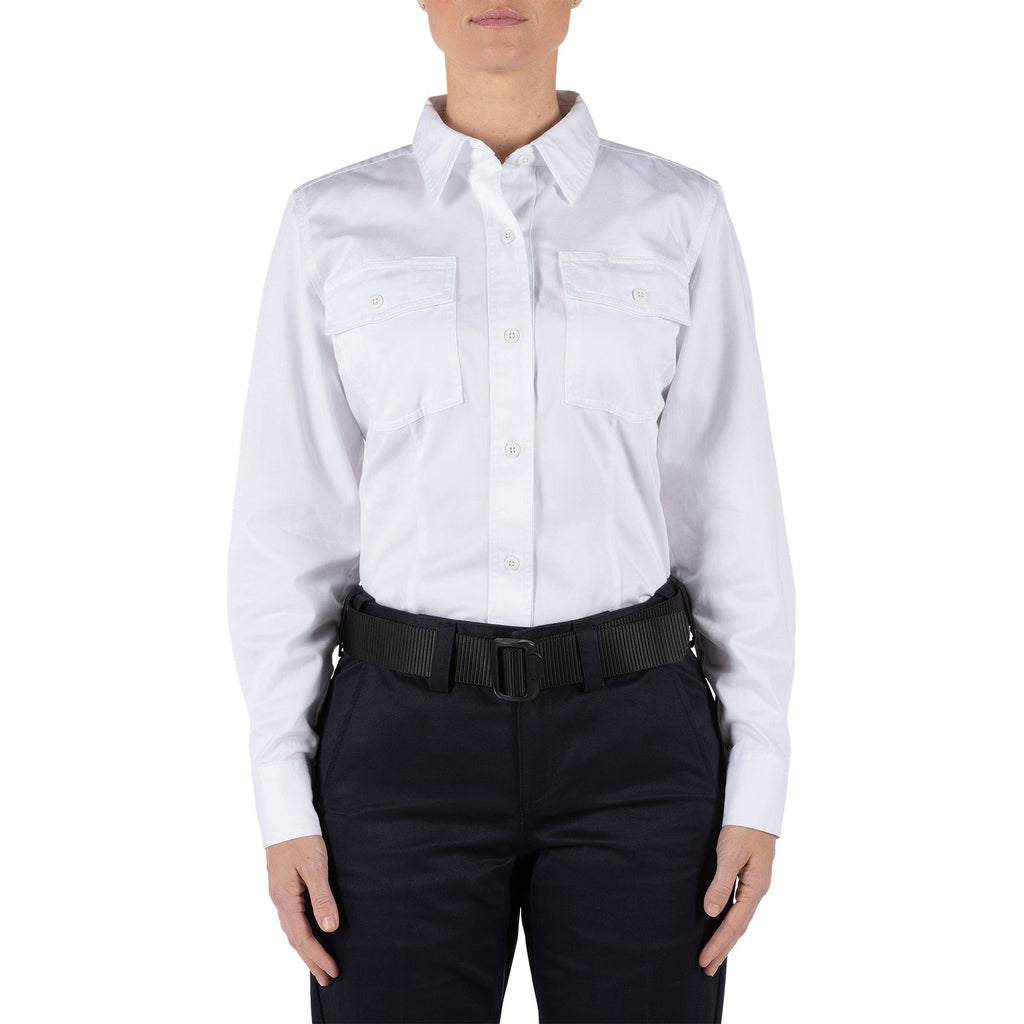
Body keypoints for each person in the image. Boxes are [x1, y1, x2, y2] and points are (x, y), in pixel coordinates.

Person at [226, 2, 796, 1021]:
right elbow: (289, 522)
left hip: (637, 749)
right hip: (399, 751)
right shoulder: (329, 223)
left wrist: (758, 777)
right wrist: (282, 792)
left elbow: (729, 507)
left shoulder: (679, 214)